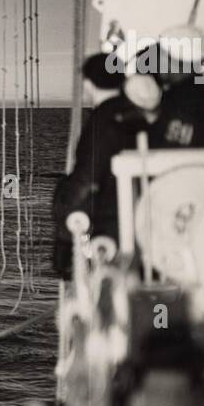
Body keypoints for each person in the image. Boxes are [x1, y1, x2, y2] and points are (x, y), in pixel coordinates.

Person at [50, 53, 152, 277]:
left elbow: (87, 180)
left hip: (114, 229)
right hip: (148, 221)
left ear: (87, 85)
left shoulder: (101, 121)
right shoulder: (139, 115)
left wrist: (65, 240)